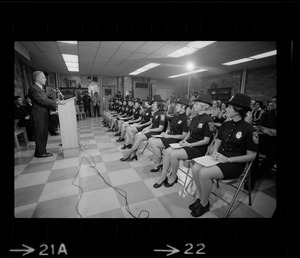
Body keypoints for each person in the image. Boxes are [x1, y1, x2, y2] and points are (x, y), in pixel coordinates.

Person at [189, 92, 258, 217]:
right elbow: (217, 141)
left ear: (238, 111)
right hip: (219, 158)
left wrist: (228, 159)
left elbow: (252, 156)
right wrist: (215, 151)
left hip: (234, 164)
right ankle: (201, 198)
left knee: (204, 173)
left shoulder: (249, 130)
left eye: (230, 107)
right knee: (195, 168)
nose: (226, 109)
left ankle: (204, 204)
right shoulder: (226, 125)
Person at [152, 92, 214, 188]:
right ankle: (163, 176)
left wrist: (189, 145)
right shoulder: (194, 118)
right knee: (168, 151)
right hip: (188, 144)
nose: (194, 105)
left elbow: (206, 141)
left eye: (197, 104)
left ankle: (173, 176)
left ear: (204, 107)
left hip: (199, 148)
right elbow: (189, 133)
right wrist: (184, 140)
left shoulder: (209, 121)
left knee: (173, 154)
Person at [28, 71, 66, 158]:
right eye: (43, 77)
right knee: (40, 134)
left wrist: (54, 106)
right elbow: (42, 101)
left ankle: (39, 151)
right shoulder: (33, 88)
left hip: (44, 115)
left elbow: (47, 100)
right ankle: (41, 153)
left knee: (43, 134)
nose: (45, 79)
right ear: (37, 78)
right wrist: (57, 102)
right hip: (39, 115)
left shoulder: (41, 89)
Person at [148, 97, 189, 173]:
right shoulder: (176, 115)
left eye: (177, 105)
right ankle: (159, 161)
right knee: (151, 140)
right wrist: (166, 132)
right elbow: (170, 127)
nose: (175, 107)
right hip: (170, 136)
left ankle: (158, 163)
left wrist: (169, 136)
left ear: (183, 107)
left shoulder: (185, 119)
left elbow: (183, 136)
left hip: (177, 139)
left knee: (154, 143)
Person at [120, 95, 166, 162]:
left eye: (154, 103)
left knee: (139, 137)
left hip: (156, 132)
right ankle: (133, 154)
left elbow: (160, 129)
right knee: (136, 136)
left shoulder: (162, 114)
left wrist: (148, 129)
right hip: (152, 130)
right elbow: (152, 124)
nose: (152, 104)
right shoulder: (156, 113)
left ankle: (129, 153)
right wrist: (146, 128)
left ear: (159, 104)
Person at [245, 95, 276, 190]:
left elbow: (266, 129)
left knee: (275, 152)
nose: (271, 103)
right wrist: (272, 131)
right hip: (265, 139)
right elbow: (260, 128)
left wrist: (270, 131)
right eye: (271, 101)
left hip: (275, 143)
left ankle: (256, 175)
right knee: (253, 144)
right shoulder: (267, 114)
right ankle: (254, 171)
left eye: (274, 101)